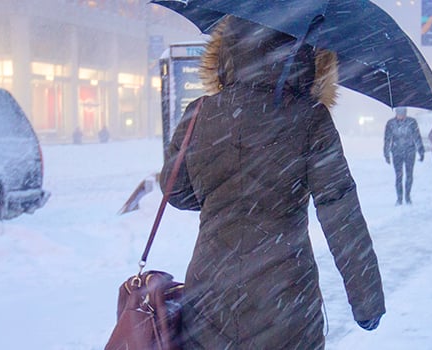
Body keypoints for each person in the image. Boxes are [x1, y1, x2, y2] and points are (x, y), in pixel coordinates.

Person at [162, 16, 385, 348]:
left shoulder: (201, 113)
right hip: (286, 301)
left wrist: (222, 196)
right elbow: (339, 210)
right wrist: (366, 300)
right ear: (304, 55)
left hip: (209, 296)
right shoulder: (309, 118)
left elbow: (176, 192)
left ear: (228, 52)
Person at [384, 107, 425, 205]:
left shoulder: (412, 122)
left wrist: (421, 150)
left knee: (409, 174)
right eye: (399, 113)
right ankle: (399, 198)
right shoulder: (391, 123)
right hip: (396, 152)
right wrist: (386, 153)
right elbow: (387, 139)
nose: (401, 116)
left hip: (410, 151)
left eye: (402, 114)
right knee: (399, 175)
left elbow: (417, 136)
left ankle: (407, 196)